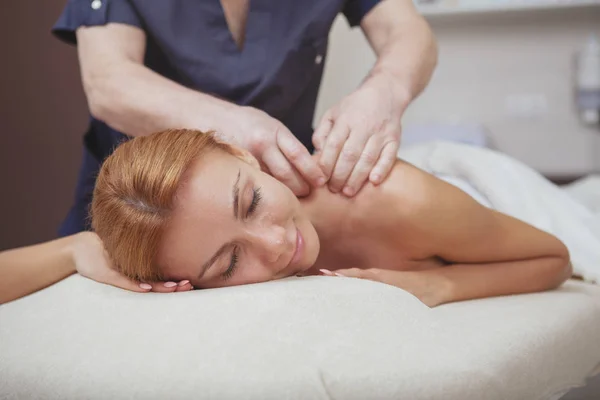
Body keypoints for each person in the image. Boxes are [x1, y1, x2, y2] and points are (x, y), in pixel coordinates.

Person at [52, 0, 438, 237]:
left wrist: (383, 91)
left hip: (281, 203)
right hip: (143, 215)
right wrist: (231, 126)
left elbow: (406, 29)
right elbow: (108, 82)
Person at [89, 129, 572, 307]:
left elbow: (554, 259)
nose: (276, 245)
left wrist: (438, 287)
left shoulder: (405, 203)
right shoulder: (174, 243)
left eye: (253, 202)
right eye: (229, 264)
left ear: (244, 154)